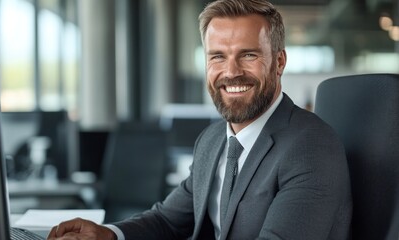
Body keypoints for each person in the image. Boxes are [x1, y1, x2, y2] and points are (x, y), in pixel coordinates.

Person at [47, 0, 352, 239]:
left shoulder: (311, 147)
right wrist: (109, 234)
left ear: (279, 62)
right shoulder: (212, 140)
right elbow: (168, 219)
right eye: (217, 56)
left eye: (248, 55)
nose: (231, 72)